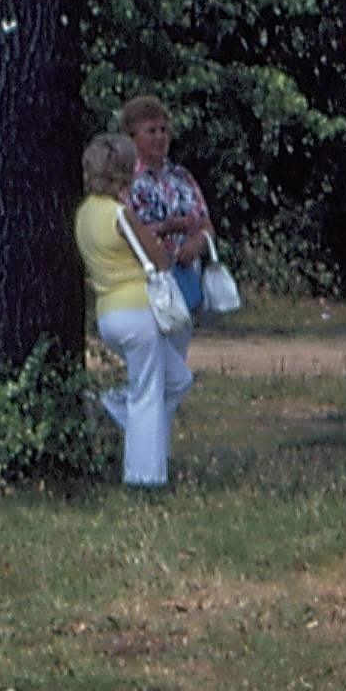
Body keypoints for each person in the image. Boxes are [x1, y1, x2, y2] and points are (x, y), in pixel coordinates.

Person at [76, 132, 188, 488]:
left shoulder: (84, 214)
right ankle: (145, 477)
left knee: (178, 379)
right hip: (139, 310)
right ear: (122, 173)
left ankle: (113, 407)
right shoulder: (121, 215)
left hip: (108, 311)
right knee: (148, 394)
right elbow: (157, 258)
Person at [120, 94, 212, 409]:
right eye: (151, 131)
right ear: (132, 138)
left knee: (175, 361)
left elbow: (206, 224)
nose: (160, 137)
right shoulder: (125, 181)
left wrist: (195, 243)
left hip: (184, 276)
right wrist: (165, 228)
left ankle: (158, 434)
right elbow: (122, 231)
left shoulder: (181, 178)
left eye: (163, 130)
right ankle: (125, 415)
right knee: (154, 366)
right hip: (147, 280)